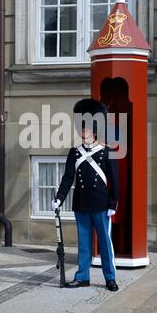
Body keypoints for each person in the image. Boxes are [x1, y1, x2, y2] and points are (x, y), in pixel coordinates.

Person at [51, 99, 119, 291]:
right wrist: (59, 198)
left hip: (101, 205)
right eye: (81, 128)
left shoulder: (107, 152)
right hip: (81, 204)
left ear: (94, 129)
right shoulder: (74, 153)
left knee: (105, 244)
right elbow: (67, 178)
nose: (83, 132)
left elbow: (115, 180)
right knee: (84, 244)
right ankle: (82, 276)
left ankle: (110, 277)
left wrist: (113, 203)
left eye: (86, 128)